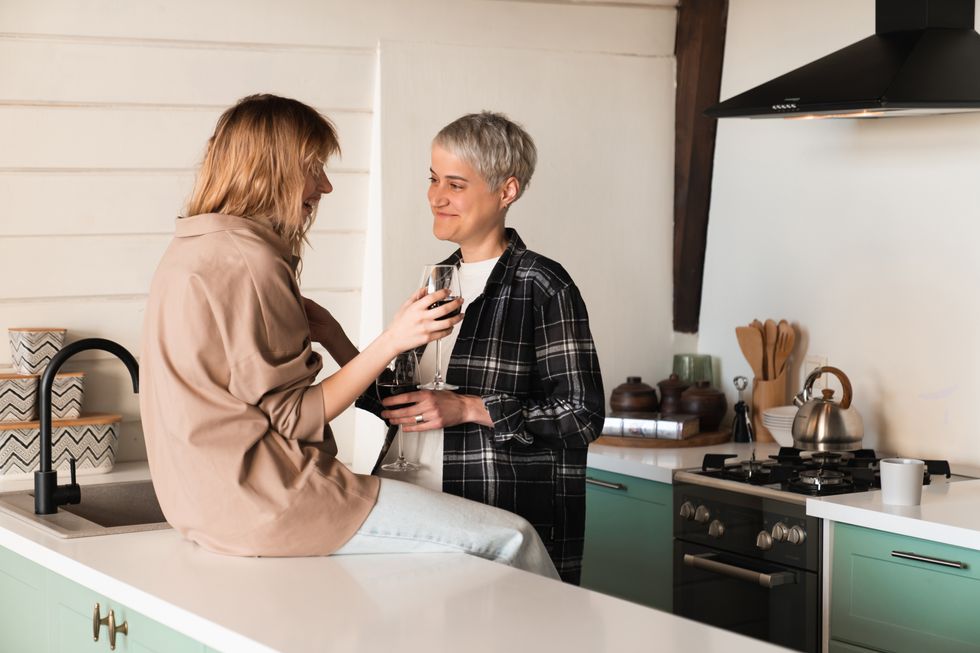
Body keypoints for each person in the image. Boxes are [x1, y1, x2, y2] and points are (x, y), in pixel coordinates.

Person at [139, 94, 558, 579]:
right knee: (512, 538)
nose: (326, 185)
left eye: (454, 184)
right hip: (274, 503)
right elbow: (294, 418)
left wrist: (343, 340)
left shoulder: (190, 248)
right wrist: (392, 339)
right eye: (314, 166)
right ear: (272, 169)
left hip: (205, 509)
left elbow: (389, 400)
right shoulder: (250, 262)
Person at [365, 112, 604, 584]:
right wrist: (331, 335)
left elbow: (582, 416)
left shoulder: (543, 283)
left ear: (506, 191)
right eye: (433, 180)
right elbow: (409, 405)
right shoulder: (437, 279)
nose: (436, 197)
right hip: (412, 508)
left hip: (489, 517)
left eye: (455, 184)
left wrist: (469, 408)